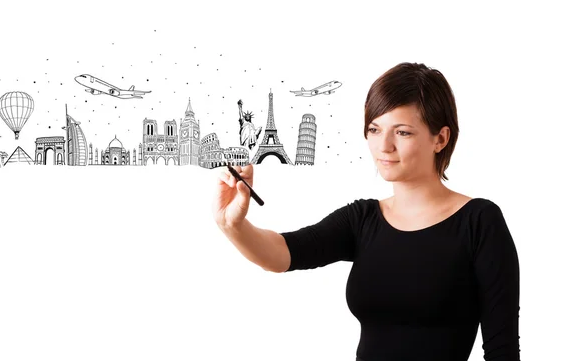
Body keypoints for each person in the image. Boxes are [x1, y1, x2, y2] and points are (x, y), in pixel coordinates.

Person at [212, 62, 520, 361]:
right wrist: (233, 225)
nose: (383, 146)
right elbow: (282, 254)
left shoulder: (479, 222)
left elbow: (501, 351)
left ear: (440, 138)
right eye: (374, 129)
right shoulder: (362, 219)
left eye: (402, 132)